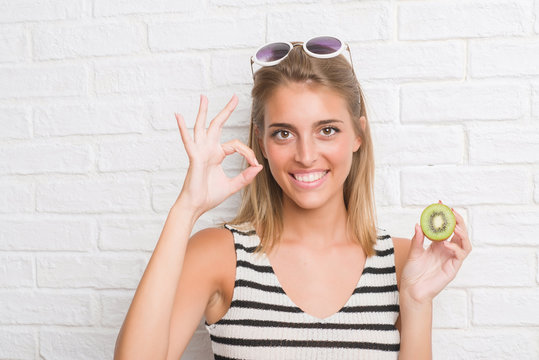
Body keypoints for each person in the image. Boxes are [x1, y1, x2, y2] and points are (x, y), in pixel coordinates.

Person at [114, 36, 471, 360]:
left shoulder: (405, 262)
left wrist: (416, 302)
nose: (305, 155)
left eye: (327, 130)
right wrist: (186, 209)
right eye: (283, 133)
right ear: (262, 143)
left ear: (358, 135)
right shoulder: (217, 255)